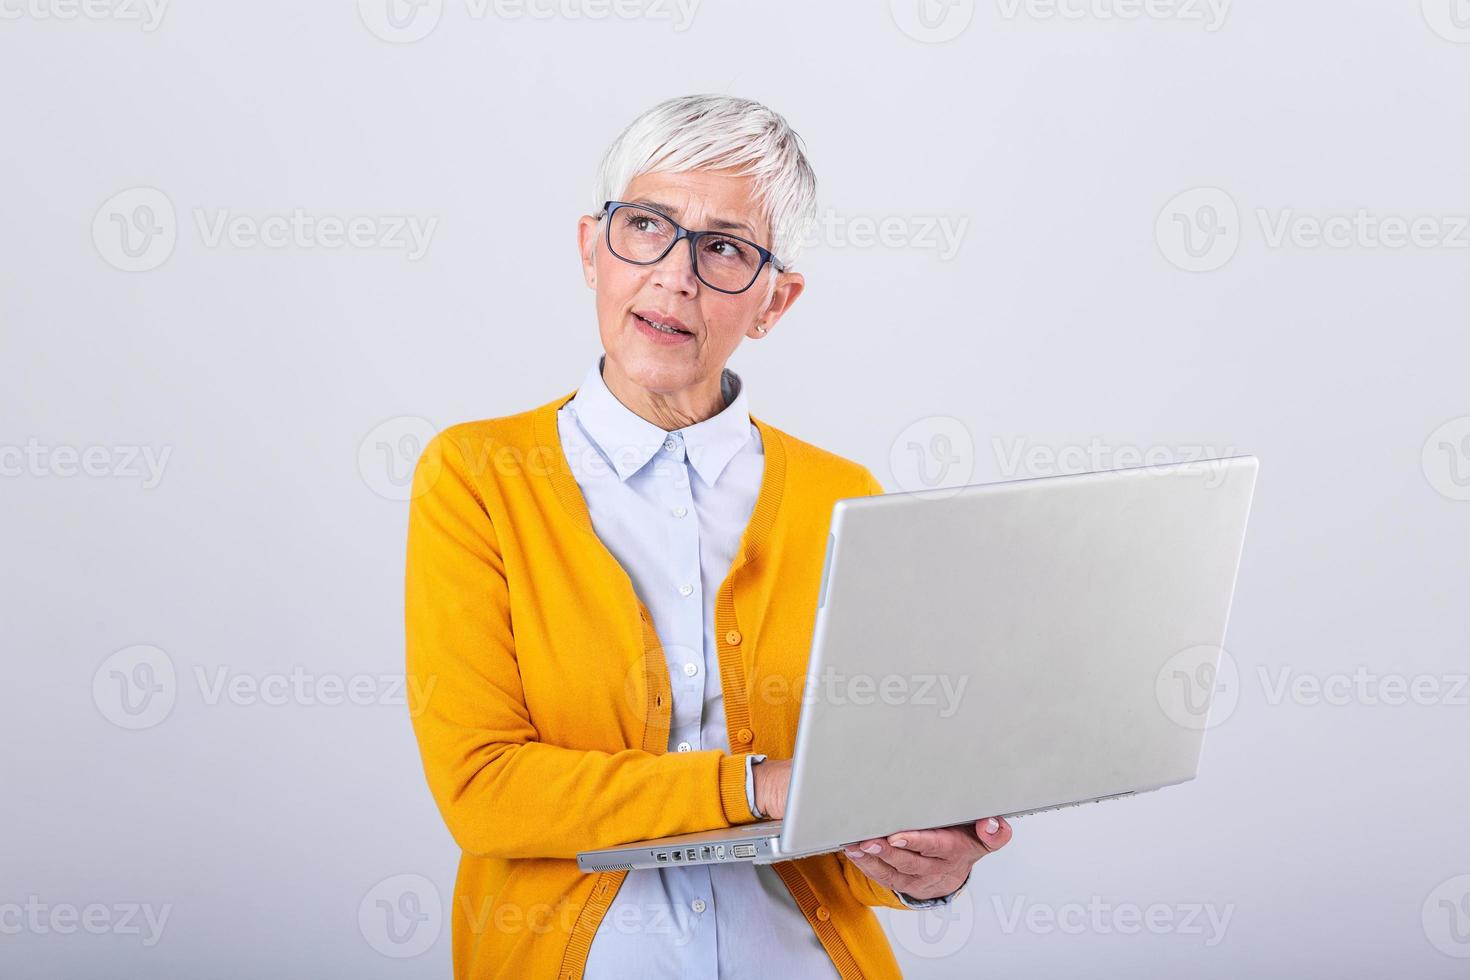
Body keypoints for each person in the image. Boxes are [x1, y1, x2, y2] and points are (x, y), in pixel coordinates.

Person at [404, 93, 1013, 980]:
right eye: (646, 225)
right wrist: (759, 784)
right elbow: (484, 791)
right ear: (591, 249)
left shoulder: (843, 497)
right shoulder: (478, 475)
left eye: (725, 247)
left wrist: (924, 868)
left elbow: (858, 801)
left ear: (775, 301)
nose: (675, 274)